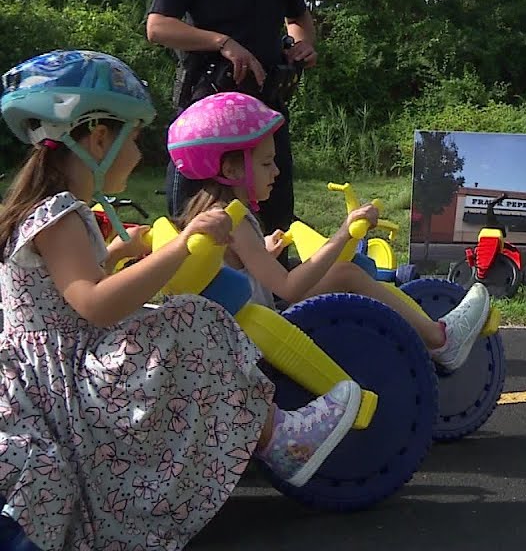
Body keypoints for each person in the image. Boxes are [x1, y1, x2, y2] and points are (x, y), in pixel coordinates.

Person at [0, 51, 357, 550]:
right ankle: (278, 438)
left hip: (61, 365)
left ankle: (271, 436)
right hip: (61, 376)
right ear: (99, 139)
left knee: (179, 323)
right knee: (191, 321)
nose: (139, 154)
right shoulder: (59, 213)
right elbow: (94, 303)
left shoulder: (64, 211)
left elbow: (72, 289)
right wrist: (181, 246)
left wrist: (122, 251)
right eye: (135, 137)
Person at [168, 91, 492, 371]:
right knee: (345, 274)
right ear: (230, 169)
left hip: (243, 326)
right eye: (267, 163)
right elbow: (289, 288)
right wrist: (345, 234)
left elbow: (236, 270)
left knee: (340, 274)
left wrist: (264, 253)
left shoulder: (216, 214)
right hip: (257, 337)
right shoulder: (233, 219)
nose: (277, 171)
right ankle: (441, 339)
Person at [146, 0, 316, 237]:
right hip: (209, 105)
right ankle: (192, 292)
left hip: (265, 106)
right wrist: (221, 42)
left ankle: (274, 292)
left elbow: (299, 17)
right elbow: (157, 27)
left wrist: (302, 45)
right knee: (197, 216)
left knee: (274, 217)